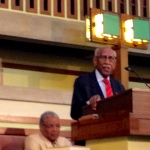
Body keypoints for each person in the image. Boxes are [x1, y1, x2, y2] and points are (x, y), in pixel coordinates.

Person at [70, 47, 125, 145]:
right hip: (90, 138)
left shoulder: (119, 86)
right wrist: (88, 103)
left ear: (115, 64)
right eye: (103, 57)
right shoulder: (83, 81)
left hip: (114, 138)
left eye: (111, 58)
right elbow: (74, 113)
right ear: (95, 61)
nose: (107, 62)